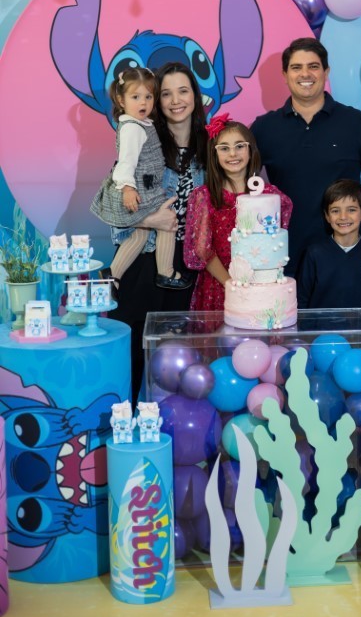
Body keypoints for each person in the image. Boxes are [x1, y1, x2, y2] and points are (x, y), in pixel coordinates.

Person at [251, 37, 361, 278]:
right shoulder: (264, 128)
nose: (305, 74)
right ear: (285, 75)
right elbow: (242, 187)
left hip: (346, 254)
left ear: (326, 72)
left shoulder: (354, 122)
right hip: (283, 258)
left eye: (313, 66)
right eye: (296, 67)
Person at [108, 62, 207, 402]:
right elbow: (114, 201)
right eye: (165, 93)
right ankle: (124, 419)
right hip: (143, 259)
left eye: (183, 91)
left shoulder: (210, 145)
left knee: (179, 354)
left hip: (187, 266)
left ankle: (172, 426)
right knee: (132, 352)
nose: (175, 101)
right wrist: (152, 221)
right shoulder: (143, 138)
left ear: (195, 96)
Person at [90, 66, 189, 292]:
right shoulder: (132, 129)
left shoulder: (139, 124)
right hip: (142, 189)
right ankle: (166, 272)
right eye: (135, 97)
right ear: (121, 100)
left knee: (140, 235)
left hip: (145, 186)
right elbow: (126, 162)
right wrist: (127, 188)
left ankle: (112, 275)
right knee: (167, 223)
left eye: (148, 97)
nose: (143, 103)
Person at [184, 114, 292, 311]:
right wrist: (231, 284)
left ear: (251, 150)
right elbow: (203, 249)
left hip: (259, 286)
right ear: (214, 154)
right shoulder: (205, 197)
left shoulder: (270, 196)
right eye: (224, 148)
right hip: (220, 284)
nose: (233, 154)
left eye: (239, 146)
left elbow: (273, 242)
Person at [298, 179, 361, 336]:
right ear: (327, 216)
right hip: (320, 341)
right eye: (335, 211)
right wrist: (305, 338)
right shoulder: (314, 254)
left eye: (351, 210)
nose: (343, 217)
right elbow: (302, 301)